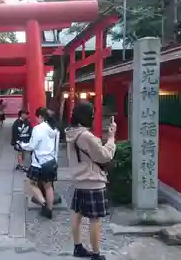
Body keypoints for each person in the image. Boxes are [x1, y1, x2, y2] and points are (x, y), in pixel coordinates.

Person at [65, 102, 116, 259]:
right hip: (93, 181)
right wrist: (111, 137)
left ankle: (78, 247)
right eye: (92, 115)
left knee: (77, 215)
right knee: (95, 219)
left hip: (79, 181)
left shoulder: (71, 133)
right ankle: (96, 254)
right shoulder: (86, 136)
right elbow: (104, 156)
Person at [18, 107, 59, 219]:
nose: (36, 120)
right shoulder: (54, 129)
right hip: (51, 161)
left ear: (40, 117)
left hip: (39, 162)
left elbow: (32, 146)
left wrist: (22, 145)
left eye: (37, 117)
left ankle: (43, 203)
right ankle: (49, 210)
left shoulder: (38, 129)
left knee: (31, 183)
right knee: (48, 186)